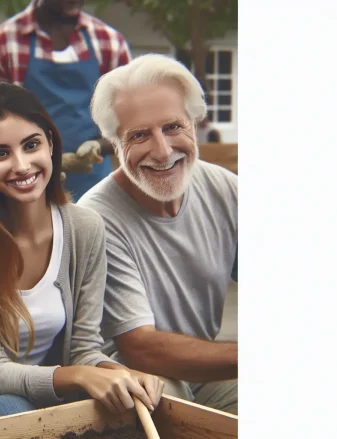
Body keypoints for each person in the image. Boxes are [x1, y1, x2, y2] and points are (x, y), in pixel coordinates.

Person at [0, 83, 164, 430]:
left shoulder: (84, 229)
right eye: (0, 153)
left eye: (31, 145)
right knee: (14, 409)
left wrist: (123, 375)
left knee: (130, 406)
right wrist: (77, 376)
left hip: (44, 412)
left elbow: (85, 349)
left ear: (50, 142)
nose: (21, 165)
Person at [77, 54, 238, 414]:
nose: (163, 151)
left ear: (195, 123)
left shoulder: (226, 189)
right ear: (114, 144)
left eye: (172, 127)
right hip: (130, 383)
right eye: (139, 135)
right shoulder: (97, 217)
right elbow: (141, 347)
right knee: (165, 401)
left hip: (203, 374)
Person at [0, 0, 131, 201]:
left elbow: (129, 124)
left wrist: (98, 146)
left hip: (95, 186)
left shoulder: (109, 42)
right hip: (25, 183)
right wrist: (44, 157)